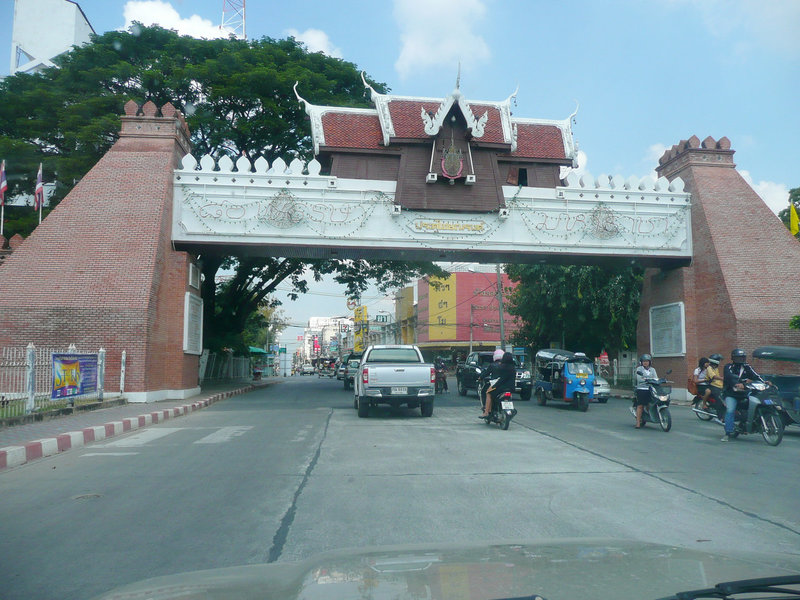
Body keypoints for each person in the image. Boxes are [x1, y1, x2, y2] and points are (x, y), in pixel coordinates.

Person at [721, 348, 761, 442]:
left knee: (755, 404)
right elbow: (729, 377)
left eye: (742, 357)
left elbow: (755, 375)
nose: (741, 359)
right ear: (733, 358)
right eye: (738, 358)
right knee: (730, 410)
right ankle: (728, 432)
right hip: (731, 394)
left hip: (744, 393)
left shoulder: (747, 367)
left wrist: (765, 381)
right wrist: (737, 383)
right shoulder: (728, 367)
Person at [481, 351, 516, 419]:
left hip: (501, 388)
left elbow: (501, 380)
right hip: (511, 388)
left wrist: (494, 386)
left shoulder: (502, 367)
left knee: (488, 393)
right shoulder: (513, 368)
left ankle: (486, 412)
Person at [633, 354, 657, 428]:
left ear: (650, 362)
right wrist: (648, 378)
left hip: (650, 389)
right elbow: (639, 379)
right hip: (642, 389)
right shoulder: (639, 369)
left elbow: (655, 378)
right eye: (644, 361)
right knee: (640, 406)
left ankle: (650, 416)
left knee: (651, 404)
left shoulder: (652, 370)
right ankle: (638, 422)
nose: (645, 363)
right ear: (641, 362)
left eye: (647, 361)